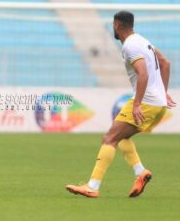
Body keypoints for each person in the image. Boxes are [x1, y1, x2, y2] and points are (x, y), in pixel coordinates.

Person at [66, 10, 176, 198]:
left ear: (117, 24)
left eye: (113, 25)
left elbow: (143, 73)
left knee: (109, 138)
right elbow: (165, 63)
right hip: (157, 103)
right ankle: (140, 172)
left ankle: (92, 186)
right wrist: (162, 93)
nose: (112, 28)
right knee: (122, 138)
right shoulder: (143, 41)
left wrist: (137, 104)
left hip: (146, 102)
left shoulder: (129, 46)